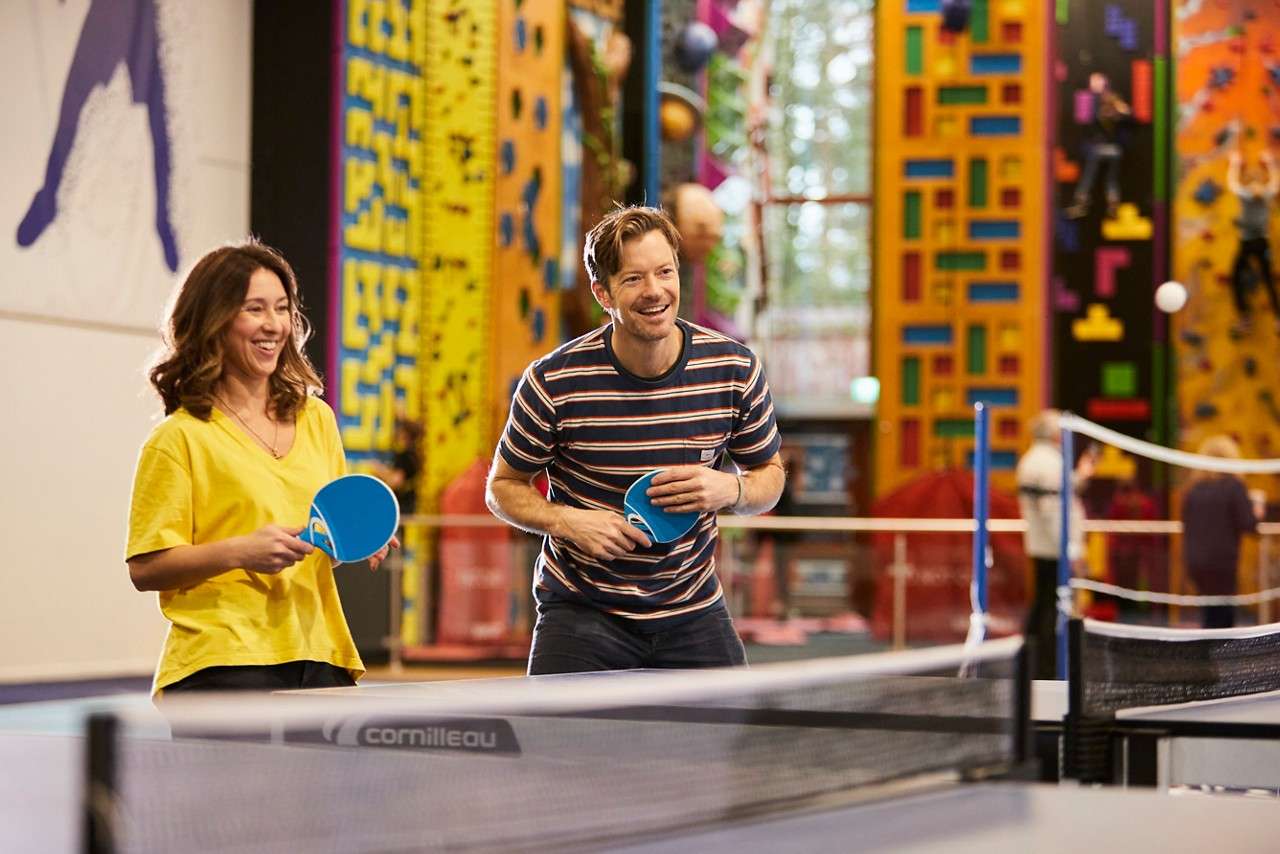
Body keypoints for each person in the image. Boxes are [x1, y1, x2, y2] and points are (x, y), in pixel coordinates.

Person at [485, 205, 786, 674]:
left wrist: (732, 489)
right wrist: (569, 522)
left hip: (693, 608)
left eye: (664, 272)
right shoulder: (553, 381)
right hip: (582, 610)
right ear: (602, 292)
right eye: (632, 279)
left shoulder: (734, 369)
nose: (654, 291)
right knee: (555, 747)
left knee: (730, 746)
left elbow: (770, 476)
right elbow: (502, 488)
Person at [126, 240, 394, 697]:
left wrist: (358, 538)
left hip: (320, 656)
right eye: (254, 308)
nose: (274, 325)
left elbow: (325, 537)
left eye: (283, 308)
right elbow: (145, 567)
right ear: (215, 321)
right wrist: (240, 552)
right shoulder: (180, 438)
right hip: (221, 663)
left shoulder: (317, 420)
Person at [1016, 410, 1092, 679]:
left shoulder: (1035, 460)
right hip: (1053, 548)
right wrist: (1070, 549)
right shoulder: (1047, 463)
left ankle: (1035, 664)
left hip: (1043, 545)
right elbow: (1053, 510)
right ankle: (1046, 667)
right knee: (1049, 608)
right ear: (1053, 433)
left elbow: (1059, 494)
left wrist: (1080, 476)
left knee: (1043, 604)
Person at [1181, 436, 1261, 629]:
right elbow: (1248, 523)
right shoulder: (1234, 486)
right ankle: (1216, 657)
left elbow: (1187, 523)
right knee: (1223, 619)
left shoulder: (1193, 490)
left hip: (1196, 562)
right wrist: (1257, 510)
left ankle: (1207, 655)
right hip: (1222, 564)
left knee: (1209, 615)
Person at [1226, 149, 1280, 334]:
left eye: (1258, 181)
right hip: (1248, 243)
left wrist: (1270, 163)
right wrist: (1234, 163)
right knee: (1236, 277)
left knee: (1268, 279)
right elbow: (1233, 184)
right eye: (1253, 182)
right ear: (1249, 184)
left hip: (1259, 242)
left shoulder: (1261, 194)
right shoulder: (1249, 195)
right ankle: (1245, 316)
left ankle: (1276, 317)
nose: (1256, 186)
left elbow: (1274, 182)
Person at [1065, 72, 1132, 220]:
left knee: (1089, 176)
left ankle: (1082, 202)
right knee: (1110, 179)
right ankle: (1112, 203)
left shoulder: (1097, 101)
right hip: (1113, 149)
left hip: (1102, 148)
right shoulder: (1113, 100)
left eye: (1097, 81)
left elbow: (1085, 123)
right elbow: (1127, 114)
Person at [370, 417, 424, 514]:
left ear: (405, 435)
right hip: (409, 504)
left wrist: (380, 473)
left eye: (400, 430)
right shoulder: (415, 455)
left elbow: (396, 481)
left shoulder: (405, 456)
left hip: (401, 506)